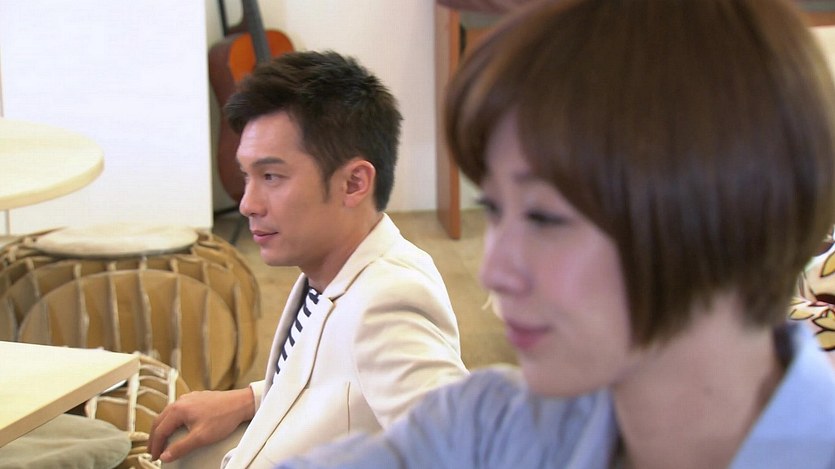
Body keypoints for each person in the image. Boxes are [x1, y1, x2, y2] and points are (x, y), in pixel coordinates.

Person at [276, 0, 835, 467]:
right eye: (495, 210)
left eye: (544, 218)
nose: (493, 271)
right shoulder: (492, 424)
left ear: (717, 205)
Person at [147, 50, 468, 468]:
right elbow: (338, 376)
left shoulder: (386, 304)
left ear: (353, 183)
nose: (247, 204)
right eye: (247, 176)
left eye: (271, 176)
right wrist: (251, 399)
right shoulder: (338, 268)